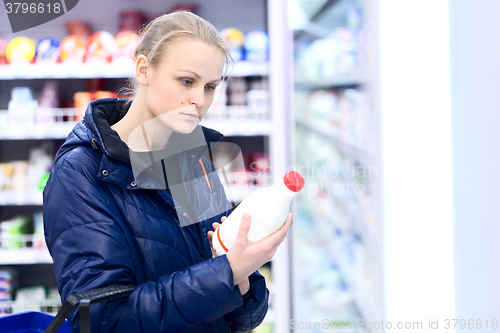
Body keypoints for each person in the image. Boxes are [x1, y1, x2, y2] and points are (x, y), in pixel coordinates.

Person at [43, 10, 292, 333]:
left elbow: (243, 319)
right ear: (144, 69)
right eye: (186, 81)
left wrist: (242, 279)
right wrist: (227, 273)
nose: (198, 100)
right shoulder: (80, 174)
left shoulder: (193, 160)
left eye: (210, 87)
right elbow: (103, 321)